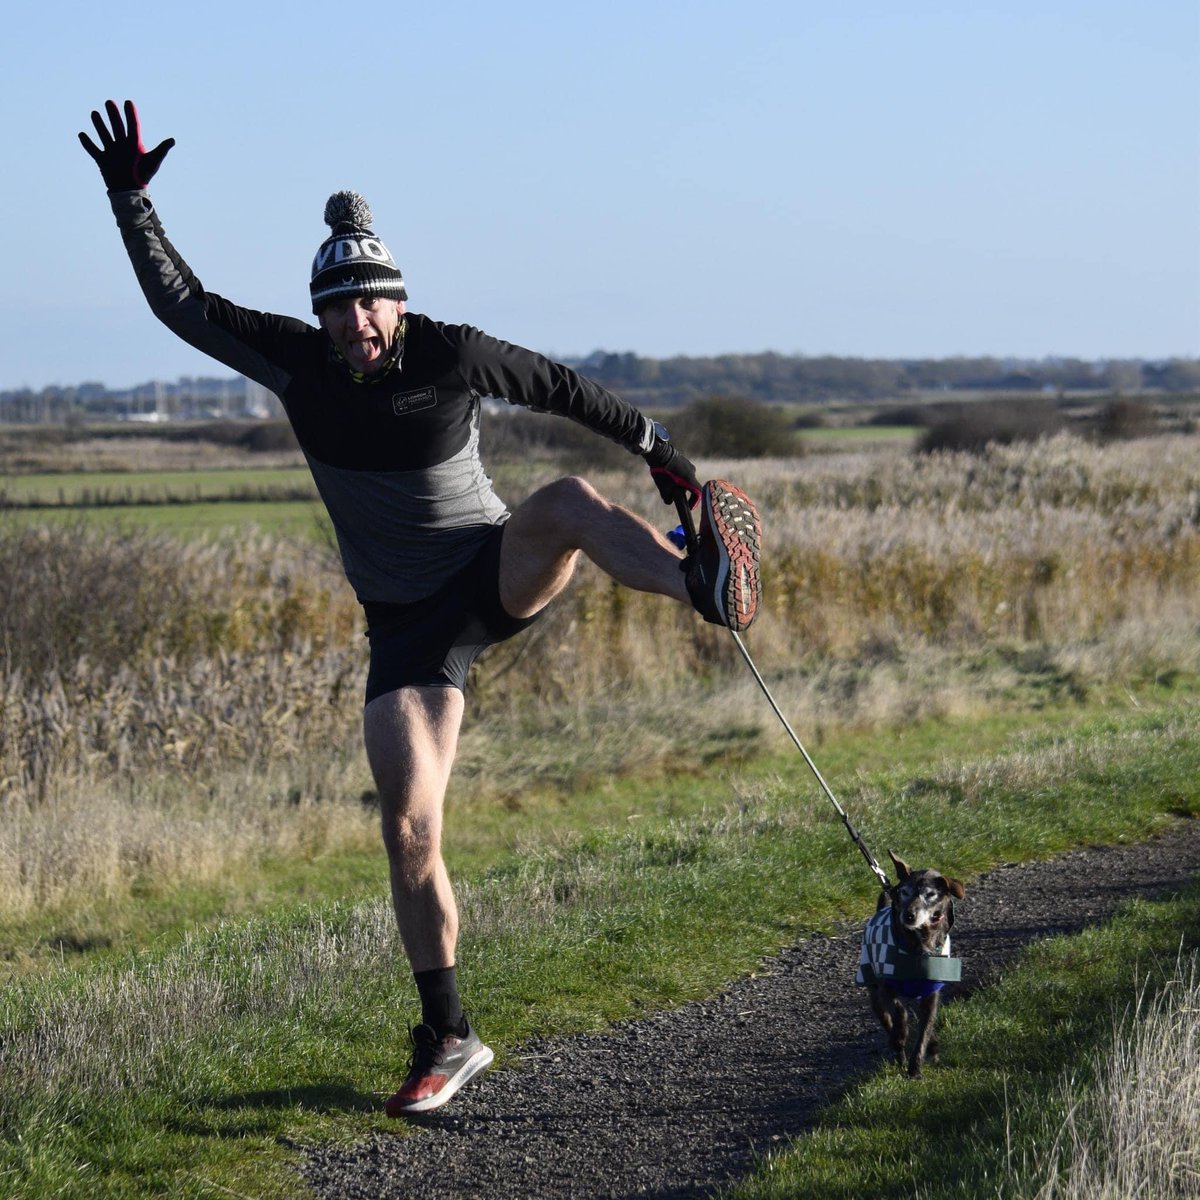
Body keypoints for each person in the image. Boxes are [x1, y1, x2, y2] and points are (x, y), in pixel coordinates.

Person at [79, 99, 762, 1115]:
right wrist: (132, 201)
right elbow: (185, 306)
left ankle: (700, 582)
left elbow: (569, 389)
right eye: (338, 307)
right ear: (318, 315)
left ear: (398, 304)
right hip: (405, 630)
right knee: (407, 825)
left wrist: (665, 455)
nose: (355, 323)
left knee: (567, 504)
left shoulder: (452, 353)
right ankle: (449, 1033)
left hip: (489, 569)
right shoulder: (297, 364)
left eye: (371, 305)